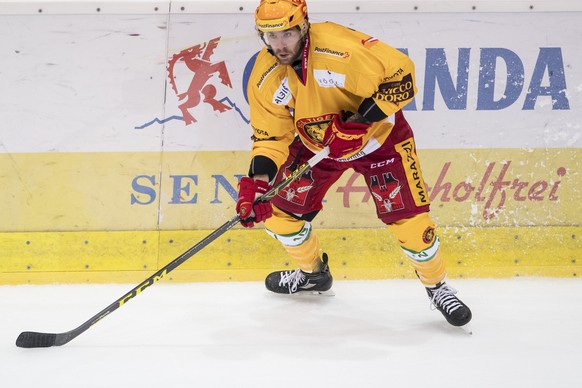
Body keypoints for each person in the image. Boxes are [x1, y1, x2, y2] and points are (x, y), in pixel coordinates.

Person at [236, 0, 472, 327]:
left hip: (379, 140)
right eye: (270, 36)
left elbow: (403, 76)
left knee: (413, 225)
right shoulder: (266, 76)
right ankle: (312, 275)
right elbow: (271, 138)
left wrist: (361, 121)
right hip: (317, 147)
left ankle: (438, 287)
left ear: (303, 25)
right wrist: (258, 183)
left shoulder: (341, 50)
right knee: (278, 216)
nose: (279, 45)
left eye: (287, 33)